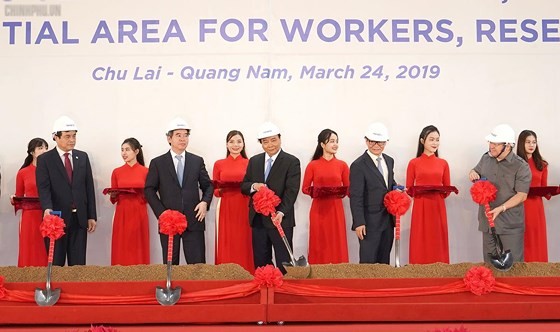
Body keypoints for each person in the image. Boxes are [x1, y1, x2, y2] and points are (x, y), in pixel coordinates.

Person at [145, 117, 213, 265]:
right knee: (171, 265)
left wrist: (204, 202)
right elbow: (149, 190)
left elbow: (208, 186)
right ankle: (171, 289)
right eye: (178, 135)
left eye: (186, 135)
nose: (183, 139)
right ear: (169, 138)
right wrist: (162, 213)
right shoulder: (158, 163)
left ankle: (199, 289)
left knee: (197, 266)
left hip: (194, 220)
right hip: (169, 221)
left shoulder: (197, 161)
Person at [36, 116, 97, 266]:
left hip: (79, 219)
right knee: (56, 263)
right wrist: (47, 208)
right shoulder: (45, 160)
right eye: (67, 136)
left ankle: (76, 290)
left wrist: (91, 215)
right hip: (56, 220)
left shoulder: (82, 157)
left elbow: (88, 187)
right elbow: (43, 188)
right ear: (55, 137)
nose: (72, 140)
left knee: (78, 266)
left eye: (74, 136)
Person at [241, 122, 301, 274]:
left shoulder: (291, 161)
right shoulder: (254, 161)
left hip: (280, 219)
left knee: (284, 261)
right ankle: (264, 291)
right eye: (265, 141)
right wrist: (254, 186)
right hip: (258, 219)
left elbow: (291, 191)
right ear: (261, 143)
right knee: (261, 260)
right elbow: (244, 186)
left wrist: (281, 212)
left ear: (280, 139)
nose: (270, 145)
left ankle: (285, 294)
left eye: (273, 140)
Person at [469, 124, 531, 263]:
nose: (491, 146)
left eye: (496, 144)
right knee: (490, 266)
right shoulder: (486, 158)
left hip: (509, 224)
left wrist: (502, 208)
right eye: (490, 142)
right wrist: (473, 173)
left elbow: (522, 195)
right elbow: (475, 171)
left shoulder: (521, 166)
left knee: (513, 266)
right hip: (487, 222)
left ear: (508, 145)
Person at [349, 122, 397, 264]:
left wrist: (398, 190)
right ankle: (366, 287)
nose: (376, 145)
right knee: (368, 262)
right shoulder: (358, 165)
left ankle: (383, 286)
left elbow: (389, 184)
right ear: (366, 141)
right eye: (372, 142)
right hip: (368, 223)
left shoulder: (389, 161)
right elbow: (356, 196)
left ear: (386, 142)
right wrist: (359, 222)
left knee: (384, 261)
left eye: (381, 142)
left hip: (387, 220)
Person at [302, 129, 349, 264]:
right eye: (331, 141)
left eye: (336, 142)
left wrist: (338, 191)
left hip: (336, 209)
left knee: (336, 240)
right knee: (319, 240)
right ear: (322, 144)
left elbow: (349, 189)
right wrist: (318, 191)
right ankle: (318, 272)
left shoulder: (342, 165)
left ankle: (338, 272)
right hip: (319, 209)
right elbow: (305, 188)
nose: (335, 145)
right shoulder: (313, 165)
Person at [406, 125, 451, 264]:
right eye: (431, 139)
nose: (435, 143)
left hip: (438, 206)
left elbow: (447, 189)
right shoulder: (414, 163)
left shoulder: (443, 163)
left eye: (437, 140)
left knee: (438, 237)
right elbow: (409, 188)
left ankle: (440, 269)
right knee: (420, 237)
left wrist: (437, 194)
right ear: (422, 141)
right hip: (421, 205)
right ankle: (418, 269)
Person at [213, 130, 253, 272]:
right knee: (227, 240)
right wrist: (223, 189)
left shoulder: (250, 163)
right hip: (226, 205)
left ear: (243, 144)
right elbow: (215, 191)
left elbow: (253, 187)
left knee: (245, 239)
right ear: (226, 144)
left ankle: (248, 272)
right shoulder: (219, 164)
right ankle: (226, 274)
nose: (235, 145)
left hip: (245, 205)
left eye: (238, 141)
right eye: (231, 142)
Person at [109, 138, 150, 265]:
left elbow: (150, 195)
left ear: (136, 151)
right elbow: (113, 199)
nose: (124, 153)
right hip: (122, 212)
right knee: (122, 243)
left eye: (127, 150)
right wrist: (114, 194)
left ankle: (141, 276)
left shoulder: (146, 171)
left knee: (138, 244)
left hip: (139, 211)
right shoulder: (117, 172)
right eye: (122, 150)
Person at [11, 138, 49, 267]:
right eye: (40, 148)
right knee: (30, 247)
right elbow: (19, 196)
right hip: (30, 216)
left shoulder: (52, 171)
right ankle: (26, 278)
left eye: (46, 148)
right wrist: (13, 199)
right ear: (32, 152)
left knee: (47, 248)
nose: (44, 151)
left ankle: (48, 280)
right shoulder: (23, 173)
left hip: (48, 215)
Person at [517, 130, 549, 262]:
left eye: (534, 142)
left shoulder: (542, 164)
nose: (532, 145)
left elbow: (544, 188)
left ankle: (539, 269)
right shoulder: (515, 163)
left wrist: (553, 191)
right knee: (522, 237)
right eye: (528, 142)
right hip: (519, 205)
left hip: (536, 207)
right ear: (521, 143)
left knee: (536, 236)